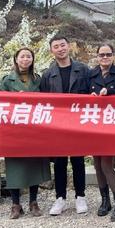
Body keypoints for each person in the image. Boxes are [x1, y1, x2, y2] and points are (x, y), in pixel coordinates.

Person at [39, 35, 91, 216]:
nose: (60, 49)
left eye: (63, 45)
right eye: (56, 46)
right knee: (59, 162)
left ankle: (80, 196)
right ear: (51, 51)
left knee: (78, 160)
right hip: (57, 126)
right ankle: (60, 198)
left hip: (77, 123)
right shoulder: (47, 74)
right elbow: (43, 100)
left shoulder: (83, 70)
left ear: (69, 47)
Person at [0, 47, 49, 219]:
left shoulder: (38, 79)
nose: (25, 59)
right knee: (15, 166)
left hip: (34, 128)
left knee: (33, 164)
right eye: (22, 56)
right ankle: (15, 204)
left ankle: (33, 202)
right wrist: (14, 100)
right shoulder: (7, 80)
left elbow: (48, 101)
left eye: (29, 56)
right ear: (16, 59)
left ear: (32, 60)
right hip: (14, 129)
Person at [89, 43, 115, 221]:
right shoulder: (90, 74)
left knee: (107, 164)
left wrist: (111, 93)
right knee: (97, 164)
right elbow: (81, 95)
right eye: (101, 55)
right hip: (94, 124)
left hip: (112, 124)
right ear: (97, 57)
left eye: (108, 54)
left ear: (113, 56)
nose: (104, 58)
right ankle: (105, 200)